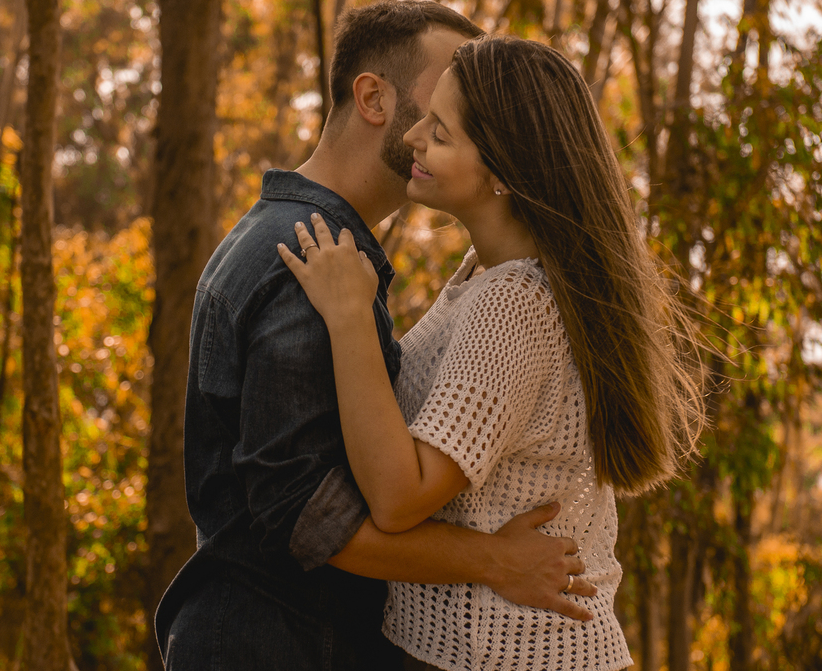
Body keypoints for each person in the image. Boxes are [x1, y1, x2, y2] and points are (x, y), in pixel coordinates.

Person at [155, 3, 599, 671]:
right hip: (276, 645)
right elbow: (306, 512)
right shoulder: (309, 256)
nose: (432, 127)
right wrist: (494, 560)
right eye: (438, 100)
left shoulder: (312, 245)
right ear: (372, 97)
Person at [278, 35, 706, 670]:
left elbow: (400, 497)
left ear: (504, 173)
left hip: (508, 653)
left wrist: (348, 320)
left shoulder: (515, 306)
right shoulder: (489, 275)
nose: (413, 137)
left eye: (442, 133)